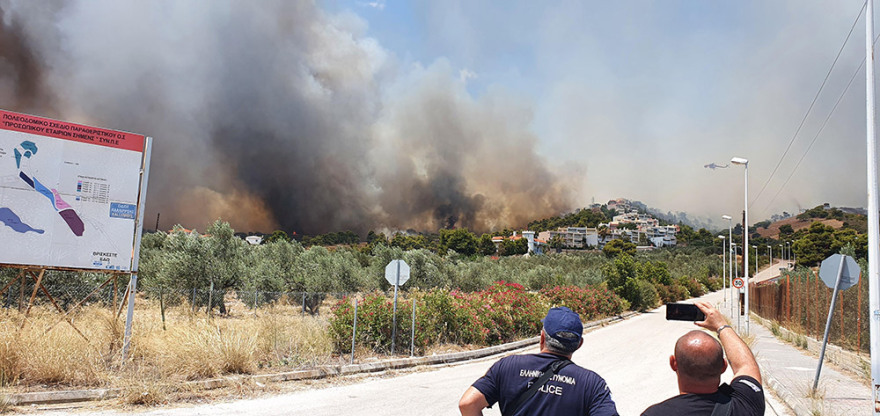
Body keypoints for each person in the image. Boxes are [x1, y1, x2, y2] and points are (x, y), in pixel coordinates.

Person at [459, 306, 619, 416]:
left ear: (542, 337)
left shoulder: (507, 366)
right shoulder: (592, 384)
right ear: (579, 345)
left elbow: (467, 403)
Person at [641, 301, 765, 415]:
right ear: (723, 366)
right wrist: (721, 325)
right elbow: (746, 366)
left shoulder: (654, 413)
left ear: (673, 363)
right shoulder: (746, 404)